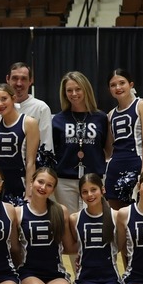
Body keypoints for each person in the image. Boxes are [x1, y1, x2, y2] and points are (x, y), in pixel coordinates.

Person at [51, 71, 109, 214]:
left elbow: (107, 148)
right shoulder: (58, 119)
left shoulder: (101, 117)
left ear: (86, 89)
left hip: (93, 178)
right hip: (65, 179)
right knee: (69, 219)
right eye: (69, 90)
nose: (74, 93)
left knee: (95, 218)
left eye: (78, 89)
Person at [16, 168, 75, 284]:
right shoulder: (18, 213)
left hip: (55, 272)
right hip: (28, 273)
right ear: (31, 182)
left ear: (53, 190)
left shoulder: (61, 211)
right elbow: (13, 249)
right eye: (40, 182)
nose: (43, 187)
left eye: (49, 185)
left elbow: (69, 247)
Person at [105, 69, 143, 209]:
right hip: (114, 167)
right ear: (109, 89)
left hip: (135, 164)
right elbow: (109, 150)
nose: (118, 88)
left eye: (122, 83)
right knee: (115, 215)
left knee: (137, 213)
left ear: (131, 84)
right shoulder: (110, 115)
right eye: (113, 85)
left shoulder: (142, 105)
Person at [71, 173, 122, 284]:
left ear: (102, 190)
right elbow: (74, 247)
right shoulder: (74, 219)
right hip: (85, 279)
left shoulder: (116, 216)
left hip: (110, 279)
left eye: (93, 190)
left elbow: (123, 247)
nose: (90, 195)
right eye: (85, 192)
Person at [0, 83, 39, 204]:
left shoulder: (29, 123)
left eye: (4, 99)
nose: (0, 104)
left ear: (13, 98)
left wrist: (29, 192)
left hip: (19, 182)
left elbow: (30, 162)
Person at [6, 62, 53, 152]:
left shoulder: (41, 108)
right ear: (8, 79)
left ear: (31, 80)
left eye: (23, 79)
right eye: (15, 78)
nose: (19, 83)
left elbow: (46, 146)